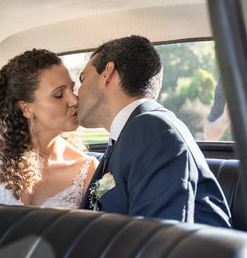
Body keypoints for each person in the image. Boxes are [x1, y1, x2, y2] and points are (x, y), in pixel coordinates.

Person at [77, 35, 231, 227]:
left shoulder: (152, 130)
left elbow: (157, 239)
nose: (78, 92)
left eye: (82, 78)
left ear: (107, 73)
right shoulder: (131, 133)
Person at [0, 49, 98, 209]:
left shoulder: (87, 168)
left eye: (72, 88)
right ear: (26, 108)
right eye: (59, 94)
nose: (74, 100)